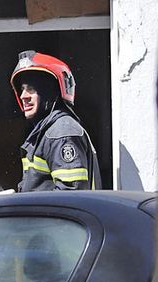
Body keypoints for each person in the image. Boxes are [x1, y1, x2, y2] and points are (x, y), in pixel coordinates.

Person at [12, 50, 98, 191]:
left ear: (49, 92)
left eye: (31, 89)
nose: (23, 96)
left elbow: (70, 197)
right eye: (22, 89)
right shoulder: (45, 131)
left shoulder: (62, 133)